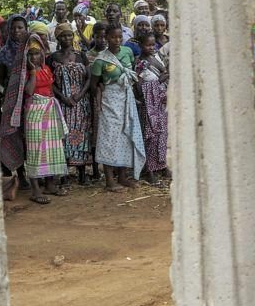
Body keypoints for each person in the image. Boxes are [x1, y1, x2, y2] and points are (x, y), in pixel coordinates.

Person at [90, 25, 145, 191]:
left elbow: (132, 74)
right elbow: (94, 85)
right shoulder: (101, 60)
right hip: (109, 101)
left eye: (120, 37)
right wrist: (100, 97)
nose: (117, 40)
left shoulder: (127, 52)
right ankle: (109, 180)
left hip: (126, 100)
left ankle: (122, 176)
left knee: (125, 136)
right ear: (106, 38)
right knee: (109, 138)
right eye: (113, 37)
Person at [21, 34, 68, 204]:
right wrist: (32, 72)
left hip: (49, 110)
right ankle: (35, 190)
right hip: (34, 111)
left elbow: (50, 89)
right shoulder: (25, 72)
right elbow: (29, 91)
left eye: (37, 53)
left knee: (51, 148)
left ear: (42, 53)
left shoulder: (47, 69)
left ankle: (50, 185)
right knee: (35, 149)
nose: (34, 57)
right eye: (31, 54)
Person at [50, 23, 93, 186]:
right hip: (63, 105)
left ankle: (82, 173)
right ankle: (64, 175)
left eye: (69, 35)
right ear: (57, 38)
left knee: (82, 135)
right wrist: (63, 97)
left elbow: (89, 78)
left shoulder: (81, 55)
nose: (66, 38)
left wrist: (80, 95)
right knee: (64, 137)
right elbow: (50, 82)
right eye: (63, 36)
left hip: (81, 105)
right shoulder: (53, 58)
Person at [0, 14, 30, 198]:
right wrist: (7, 97)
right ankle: (21, 174)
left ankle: (35, 174)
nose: (17, 31)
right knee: (15, 136)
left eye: (20, 28)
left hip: (31, 99)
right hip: (12, 101)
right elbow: (0, 80)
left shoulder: (32, 48)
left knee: (31, 137)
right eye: (14, 28)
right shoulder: (4, 53)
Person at [134, 33, 169, 184]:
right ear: (140, 46)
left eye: (153, 44)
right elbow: (139, 87)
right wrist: (160, 80)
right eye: (148, 45)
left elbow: (164, 71)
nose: (152, 47)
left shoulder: (155, 59)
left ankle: (162, 166)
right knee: (150, 137)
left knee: (162, 135)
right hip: (148, 105)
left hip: (160, 103)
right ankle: (149, 171)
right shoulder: (140, 63)